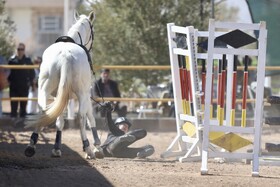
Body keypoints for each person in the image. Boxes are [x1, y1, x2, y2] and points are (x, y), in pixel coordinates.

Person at [8, 43, 35, 120]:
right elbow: (7, 73)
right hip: (14, 87)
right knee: (14, 106)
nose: (20, 51)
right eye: (18, 49)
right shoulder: (12, 60)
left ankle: (22, 123)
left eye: (21, 49)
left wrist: (31, 84)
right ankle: (13, 122)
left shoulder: (28, 60)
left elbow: (32, 73)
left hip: (24, 86)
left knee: (23, 106)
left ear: (24, 50)